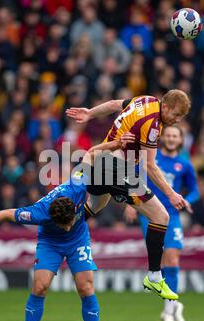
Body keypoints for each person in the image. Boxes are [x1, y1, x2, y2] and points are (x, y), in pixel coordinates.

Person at [0, 133, 134, 321]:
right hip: (50, 243)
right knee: (39, 287)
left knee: (85, 288)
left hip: (78, 241)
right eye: (63, 225)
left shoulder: (78, 185)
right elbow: (4, 213)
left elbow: (91, 153)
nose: (66, 227)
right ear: (52, 219)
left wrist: (116, 144)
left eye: (70, 221)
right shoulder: (38, 213)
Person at [66, 89, 192, 301]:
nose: (177, 121)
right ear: (167, 106)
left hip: (100, 163)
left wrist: (90, 113)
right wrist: (170, 194)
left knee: (94, 205)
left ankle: (61, 232)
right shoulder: (153, 125)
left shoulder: (147, 100)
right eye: (176, 115)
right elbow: (150, 165)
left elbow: (116, 103)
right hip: (115, 169)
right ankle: (154, 276)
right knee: (161, 217)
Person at [124, 125, 199, 321]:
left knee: (172, 257)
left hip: (173, 215)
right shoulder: (150, 159)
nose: (172, 138)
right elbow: (134, 180)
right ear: (162, 138)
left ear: (181, 140)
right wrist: (131, 203)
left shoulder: (184, 164)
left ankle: (168, 308)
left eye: (176, 136)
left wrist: (188, 200)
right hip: (149, 214)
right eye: (168, 135)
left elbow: (194, 191)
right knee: (161, 258)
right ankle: (173, 305)